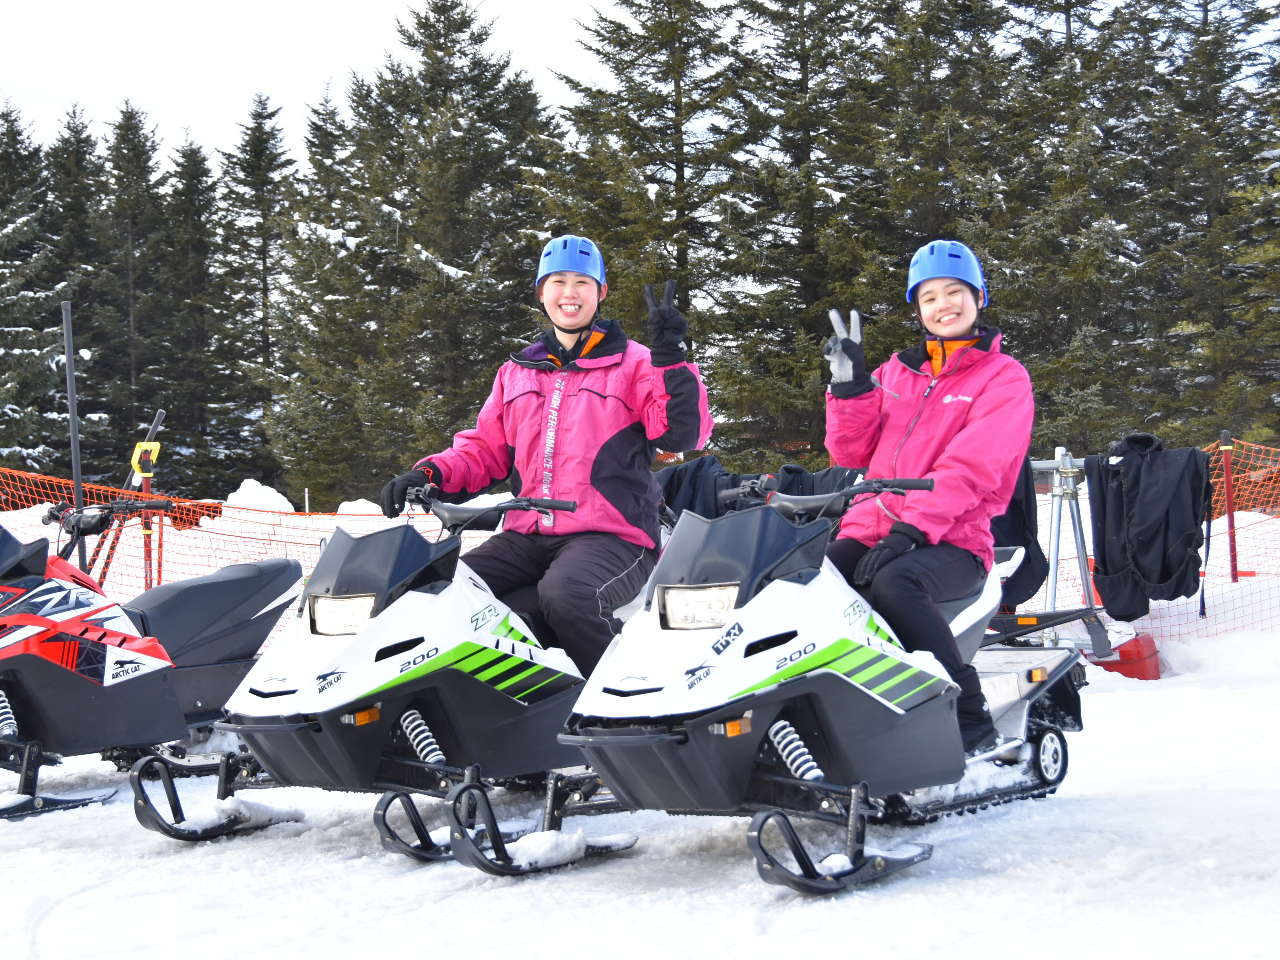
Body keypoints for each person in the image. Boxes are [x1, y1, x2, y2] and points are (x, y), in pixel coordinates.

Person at [381, 234, 713, 676]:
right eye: (557, 281)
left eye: (582, 282)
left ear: (601, 293)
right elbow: (483, 450)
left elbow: (682, 433)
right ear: (542, 292)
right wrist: (429, 473)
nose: (570, 293)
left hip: (613, 536)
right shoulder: (517, 372)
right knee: (439, 590)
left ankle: (621, 702)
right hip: (526, 534)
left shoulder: (635, 363)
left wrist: (671, 361)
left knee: (568, 593)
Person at [822, 240, 1034, 756]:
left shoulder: (1003, 378)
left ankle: (968, 713)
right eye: (931, 296)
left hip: (954, 541)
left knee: (896, 583)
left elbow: (972, 469)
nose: (945, 305)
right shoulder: (896, 373)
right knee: (811, 584)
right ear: (918, 309)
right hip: (870, 527)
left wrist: (910, 531)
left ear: (978, 297)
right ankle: (838, 709)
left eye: (956, 292)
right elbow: (849, 451)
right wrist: (848, 391)